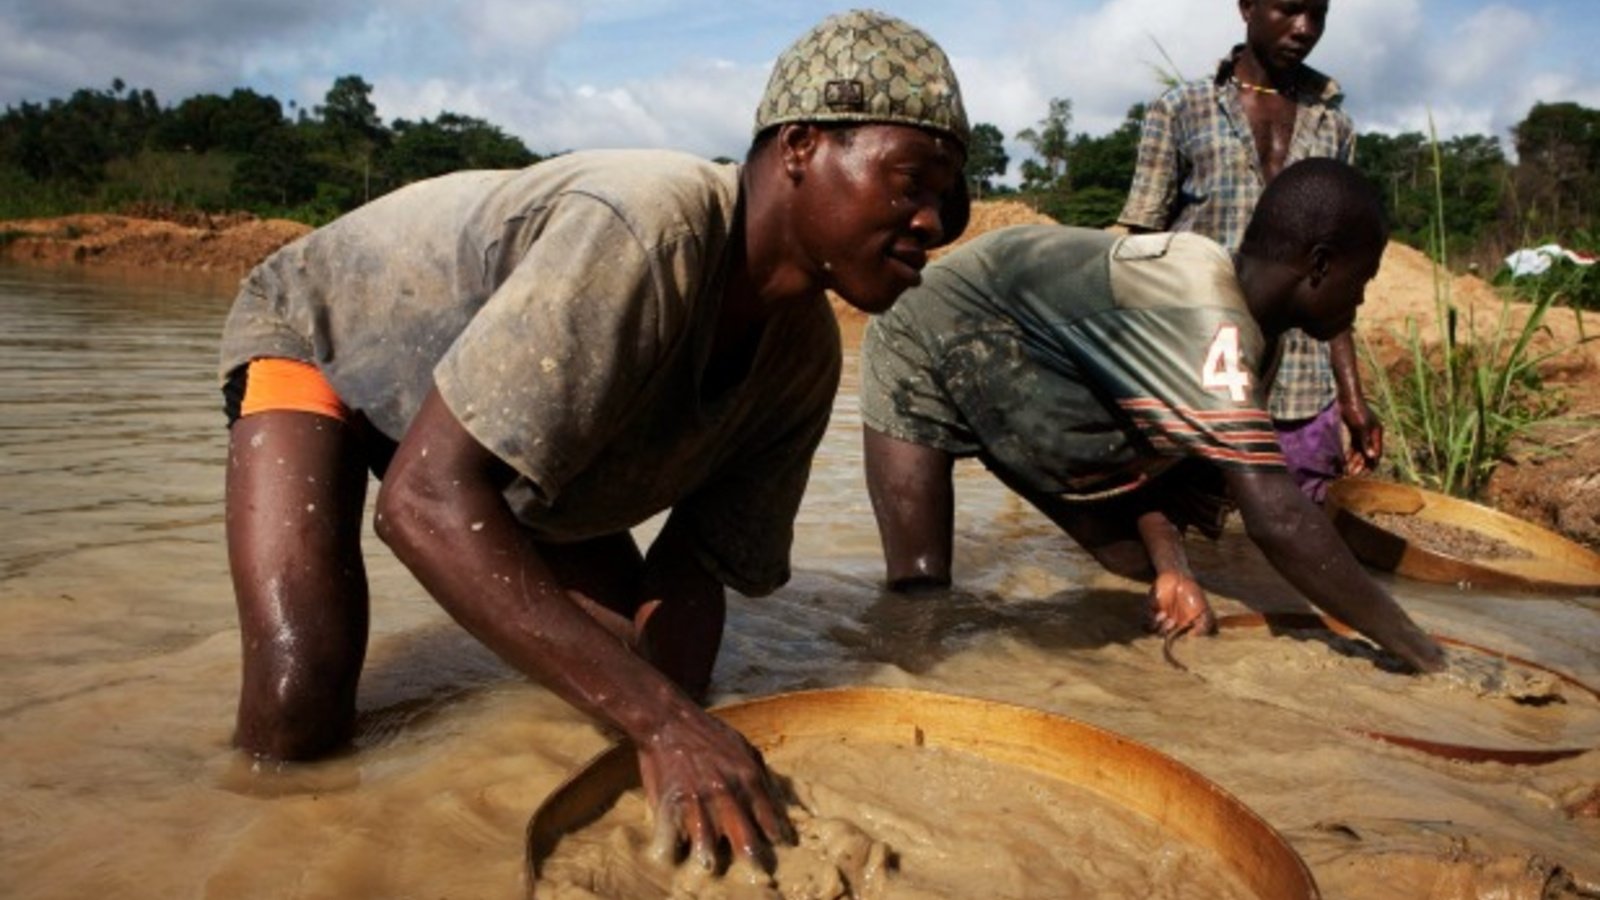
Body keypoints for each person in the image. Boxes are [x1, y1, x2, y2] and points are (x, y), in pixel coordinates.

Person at [218, 9, 968, 868]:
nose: (933, 224)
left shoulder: (802, 365)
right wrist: (661, 725)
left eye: (947, 201)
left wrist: (683, 728)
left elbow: (696, 567)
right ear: (800, 146)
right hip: (328, 335)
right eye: (913, 181)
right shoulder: (648, 228)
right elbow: (421, 502)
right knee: (298, 703)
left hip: (482, 421)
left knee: (631, 672)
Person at [860, 158, 1445, 674]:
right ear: (1318, 265)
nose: (1361, 301)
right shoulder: (1204, 314)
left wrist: (1175, 570)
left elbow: (1162, 463)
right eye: (1361, 282)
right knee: (921, 596)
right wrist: (1422, 651)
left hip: (1035, 366)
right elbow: (1279, 521)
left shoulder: (1259, 342)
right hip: (924, 329)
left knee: (1134, 564)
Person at [1117, 0, 1378, 505]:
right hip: (1197, 374)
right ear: (1247, 7)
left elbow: (1336, 277)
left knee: (1302, 530)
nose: (1304, 29)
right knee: (1187, 527)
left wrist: (1351, 395)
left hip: (1301, 388)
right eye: (1288, 9)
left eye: (1318, 15)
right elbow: (1141, 250)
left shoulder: (1334, 125)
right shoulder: (1181, 109)